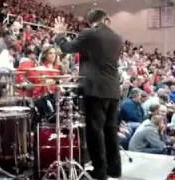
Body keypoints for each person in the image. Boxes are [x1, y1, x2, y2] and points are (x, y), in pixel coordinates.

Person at [53, 9, 122, 179]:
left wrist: (60, 35)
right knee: (111, 130)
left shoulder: (90, 33)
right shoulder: (117, 37)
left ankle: (100, 171)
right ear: (105, 19)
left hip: (95, 89)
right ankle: (114, 168)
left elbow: (67, 48)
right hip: (113, 89)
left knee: (95, 130)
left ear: (91, 22)